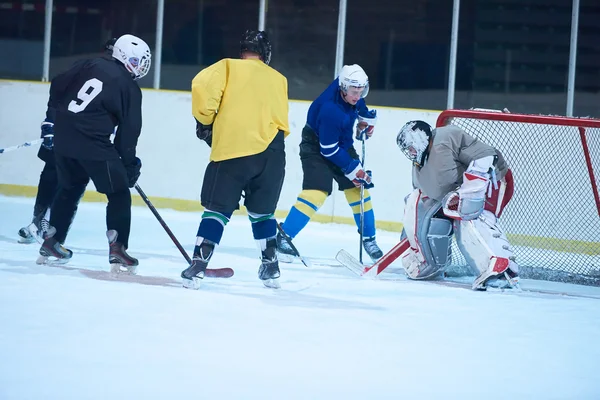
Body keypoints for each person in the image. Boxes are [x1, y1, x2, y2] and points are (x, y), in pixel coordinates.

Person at [181, 30, 290, 289]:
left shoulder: (227, 67)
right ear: (266, 54)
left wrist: (206, 121)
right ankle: (270, 266)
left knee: (216, 210)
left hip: (234, 150)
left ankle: (198, 264)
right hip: (273, 155)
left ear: (243, 52)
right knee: (263, 212)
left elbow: (201, 88)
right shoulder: (280, 79)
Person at [36, 34, 151, 276]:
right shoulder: (129, 87)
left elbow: (57, 83)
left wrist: (57, 116)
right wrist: (128, 165)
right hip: (93, 145)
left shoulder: (88, 64)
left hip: (64, 140)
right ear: (123, 56)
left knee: (69, 188)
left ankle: (51, 242)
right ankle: (118, 247)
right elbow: (129, 132)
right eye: (136, 60)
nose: (140, 66)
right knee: (118, 193)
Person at [276, 64, 383, 262]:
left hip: (339, 143)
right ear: (343, 88)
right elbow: (328, 149)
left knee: (359, 190)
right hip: (316, 147)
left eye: (361, 91)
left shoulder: (350, 88)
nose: (357, 96)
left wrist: (364, 120)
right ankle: (283, 238)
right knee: (317, 192)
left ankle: (369, 239)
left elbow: (358, 105)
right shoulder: (330, 110)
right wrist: (352, 169)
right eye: (354, 92)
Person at [395, 120, 519, 290]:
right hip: (455, 196)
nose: (409, 152)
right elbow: (423, 197)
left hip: (491, 182)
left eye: (410, 147)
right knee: (421, 206)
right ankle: (431, 265)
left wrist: (469, 191)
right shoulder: (419, 167)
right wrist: (410, 233)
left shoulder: (447, 137)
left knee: (468, 210)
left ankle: (502, 268)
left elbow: (486, 158)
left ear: (420, 139)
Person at [18, 38, 117, 244]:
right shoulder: (86, 68)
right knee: (51, 173)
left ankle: (51, 227)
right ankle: (38, 221)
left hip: (86, 140)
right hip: (65, 131)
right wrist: (50, 121)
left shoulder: (119, 79)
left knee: (70, 183)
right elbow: (59, 89)